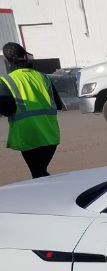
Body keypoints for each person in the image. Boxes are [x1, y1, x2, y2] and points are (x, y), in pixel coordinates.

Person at [0, 42, 64, 179]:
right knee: (40, 172)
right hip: (49, 133)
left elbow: (7, 109)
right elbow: (58, 104)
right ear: (25, 56)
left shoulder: (6, 80)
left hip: (28, 136)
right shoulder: (44, 77)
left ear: (7, 59)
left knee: (38, 173)